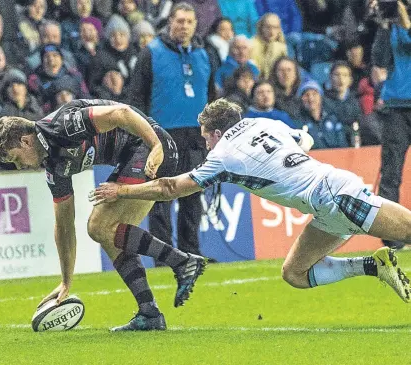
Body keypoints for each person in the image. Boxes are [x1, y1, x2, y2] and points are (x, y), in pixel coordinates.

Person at [90, 98, 411, 304]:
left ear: (216, 132)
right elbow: (305, 140)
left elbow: (170, 188)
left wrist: (122, 191)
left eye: (204, 137)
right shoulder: (264, 123)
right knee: (294, 274)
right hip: (326, 204)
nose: (205, 144)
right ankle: (373, 265)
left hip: (337, 196)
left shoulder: (225, 155)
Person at [0, 99, 207, 331]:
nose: (20, 166)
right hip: (133, 156)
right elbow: (63, 226)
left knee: (99, 226)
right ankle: (150, 312)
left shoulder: (63, 126)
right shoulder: (54, 167)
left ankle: (182, 262)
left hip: (151, 146)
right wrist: (66, 282)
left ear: (25, 141)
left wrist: (156, 146)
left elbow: (122, 113)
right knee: (109, 235)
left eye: (15, 159)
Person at [129, 2, 215, 257]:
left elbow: (211, 99)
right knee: (160, 200)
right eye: (180, 21)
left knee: (192, 199)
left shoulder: (205, 54)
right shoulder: (151, 53)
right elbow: (136, 98)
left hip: (196, 138)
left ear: (196, 25)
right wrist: (144, 138)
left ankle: (192, 253)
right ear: (170, 22)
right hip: (162, 138)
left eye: (189, 22)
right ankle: (164, 257)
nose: (184, 26)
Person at [371, 0, 411, 250]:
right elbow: (380, 60)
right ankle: (392, 236)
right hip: (396, 106)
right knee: (391, 172)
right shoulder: (390, 27)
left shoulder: (404, 25)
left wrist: (405, 22)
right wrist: (385, 25)